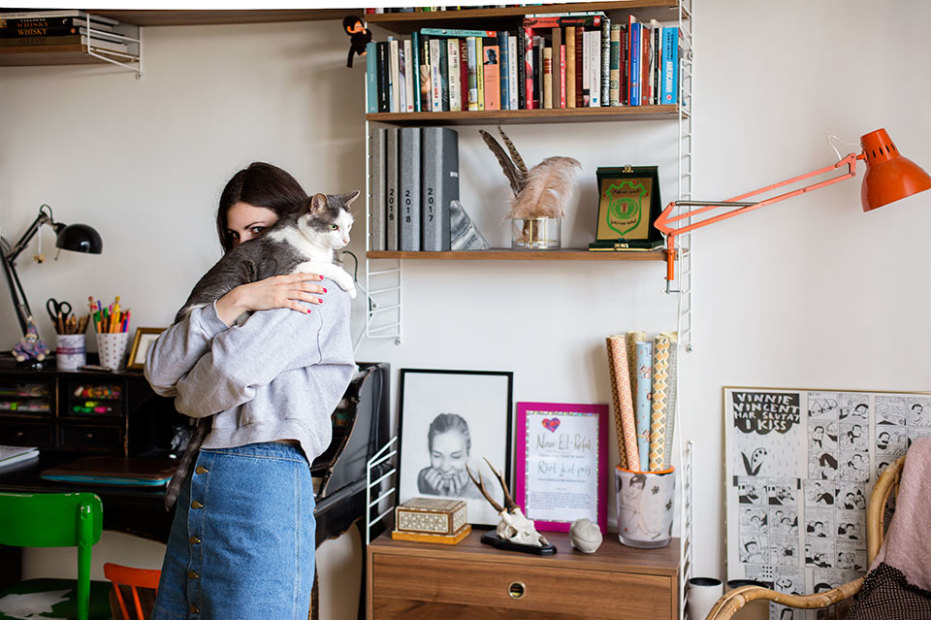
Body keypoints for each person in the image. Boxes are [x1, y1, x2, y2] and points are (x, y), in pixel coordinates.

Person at [145, 162, 355, 620]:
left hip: (262, 476)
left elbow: (230, 371)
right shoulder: (242, 289)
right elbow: (158, 371)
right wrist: (232, 301)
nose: (244, 247)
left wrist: (186, 395)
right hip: (204, 472)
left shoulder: (314, 287)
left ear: (294, 221)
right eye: (233, 236)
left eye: (257, 230)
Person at [417, 413, 483, 499]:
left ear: (468, 454)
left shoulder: (484, 487)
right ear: (430, 453)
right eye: (437, 456)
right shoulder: (424, 479)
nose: (445, 468)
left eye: (456, 457)